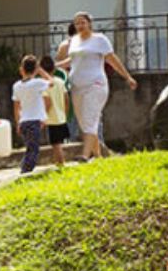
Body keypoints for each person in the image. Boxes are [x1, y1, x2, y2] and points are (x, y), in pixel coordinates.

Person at [57, 11, 138, 160]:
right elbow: (72, 61)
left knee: (90, 119)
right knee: (83, 122)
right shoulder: (74, 40)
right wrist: (55, 67)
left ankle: (85, 155)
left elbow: (112, 59)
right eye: (77, 23)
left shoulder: (100, 39)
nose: (80, 25)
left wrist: (127, 77)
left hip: (95, 84)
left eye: (82, 22)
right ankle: (99, 156)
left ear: (89, 23)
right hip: (77, 86)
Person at [12, 55, 53, 174]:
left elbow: (16, 106)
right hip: (35, 121)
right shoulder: (37, 83)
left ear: (22, 69)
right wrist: (41, 71)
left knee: (29, 147)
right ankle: (25, 171)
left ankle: (24, 168)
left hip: (24, 121)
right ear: (35, 69)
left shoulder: (17, 86)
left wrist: (17, 122)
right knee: (33, 149)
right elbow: (51, 82)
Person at [40, 55, 68, 167]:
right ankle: (58, 162)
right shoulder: (60, 82)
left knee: (55, 144)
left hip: (52, 119)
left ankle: (60, 163)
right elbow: (66, 99)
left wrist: (43, 116)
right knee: (58, 143)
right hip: (61, 117)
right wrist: (65, 113)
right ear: (54, 69)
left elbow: (47, 102)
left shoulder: (44, 85)